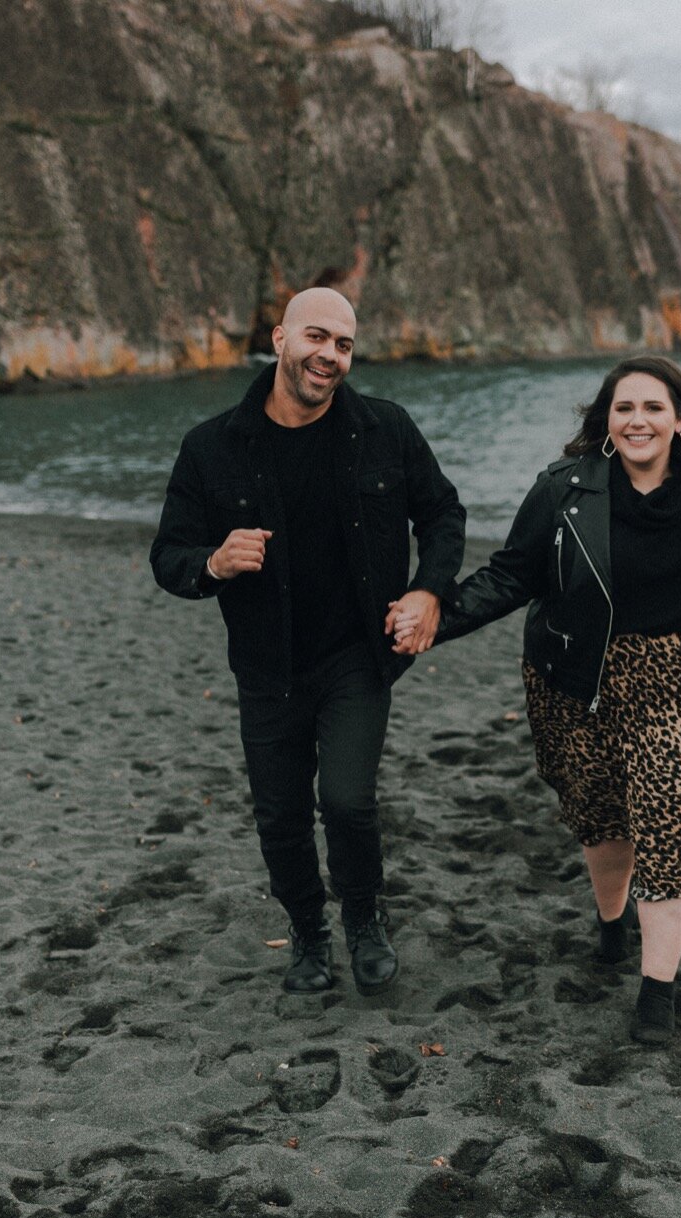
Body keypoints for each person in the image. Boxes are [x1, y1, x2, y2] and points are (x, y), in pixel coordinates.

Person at [389, 355, 681, 1044]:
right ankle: (611, 924)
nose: (638, 420)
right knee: (604, 818)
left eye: (652, 408)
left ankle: (656, 990)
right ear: (605, 420)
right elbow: (512, 576)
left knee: (670, 816)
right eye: (624, 408)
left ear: (679, 420)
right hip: (585, 675)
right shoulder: (565, 490)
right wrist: (431, 620)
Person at [150, 287, 465, 995]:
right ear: (281, 338)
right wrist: (212, 562)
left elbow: (442, 511)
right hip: (267, 663)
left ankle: (362, 916)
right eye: (317, 337)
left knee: (348, 800)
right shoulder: (212, 447)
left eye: (344, 344)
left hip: (359, 651)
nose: (330, 355)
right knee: (281, 814)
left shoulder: (386, 429)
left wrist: (429, 588)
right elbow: (168, 555)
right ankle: (308, 931)